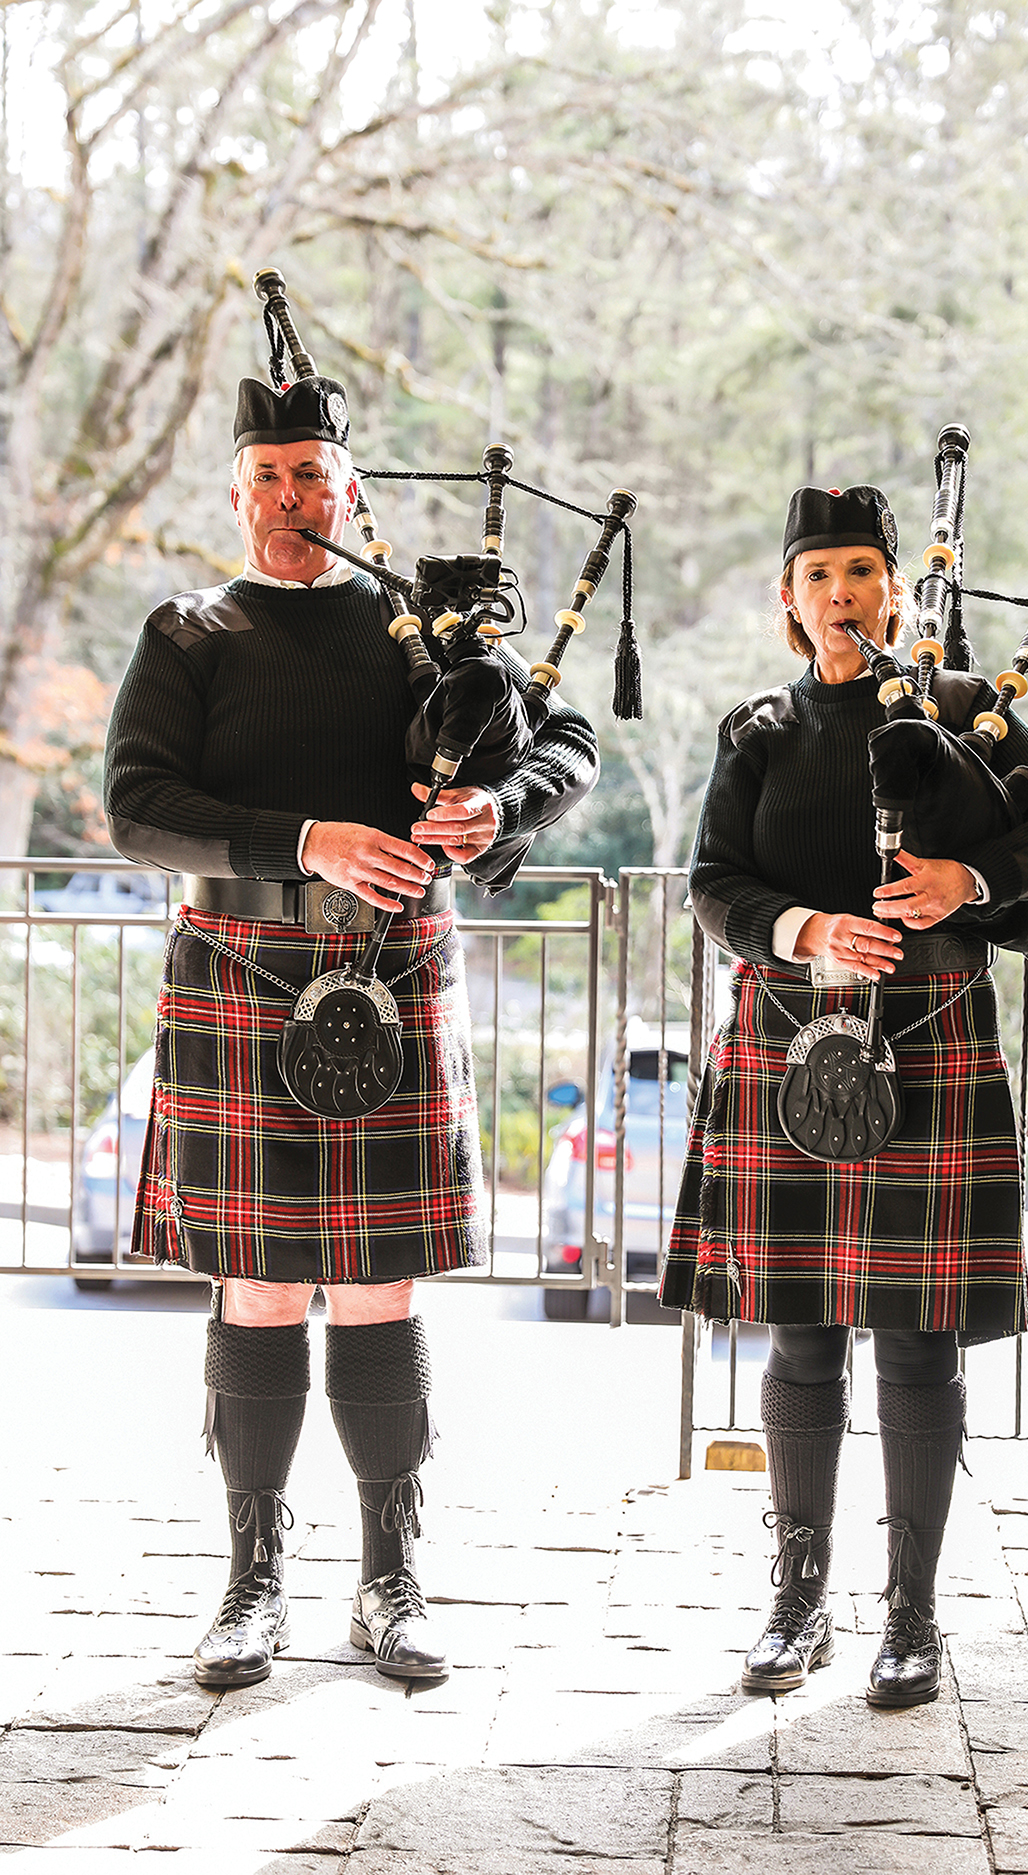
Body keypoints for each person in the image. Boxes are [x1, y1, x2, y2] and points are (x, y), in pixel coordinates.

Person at [104, 371, 598, 1690]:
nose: (290, 498)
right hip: (240, 963)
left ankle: (390, 1578)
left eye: (313, 474)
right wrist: (306, 835)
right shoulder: (191, 632)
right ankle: (251, 1581)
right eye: (268, 476)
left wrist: (502, 810)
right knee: (259, 1283)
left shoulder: (414, 631)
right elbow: (136, 806)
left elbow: (566, 737)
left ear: (352, 488)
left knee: (379, 1280)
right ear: (236, 491)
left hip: (389, 970)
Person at [658, 484, 1028, 1707]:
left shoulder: (967, 713)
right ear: (787, 602)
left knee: (917, 1344)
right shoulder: (756, 727)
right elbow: (714, 886)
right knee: (803, 1335)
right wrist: (802, 927)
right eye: (818, 576)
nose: (841, 593)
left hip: (933, 1036)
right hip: (787, 1036)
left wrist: (970, 876)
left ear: (896, 592)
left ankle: (910, 1617)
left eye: (862, 571)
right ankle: (795, 1602)